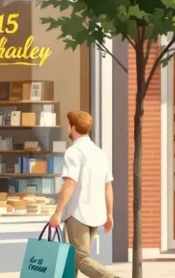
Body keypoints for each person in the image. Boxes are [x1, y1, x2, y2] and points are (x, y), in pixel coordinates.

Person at [47, 111, 118, 278]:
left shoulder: (74, 152)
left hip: (77, 214)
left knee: (81, 259)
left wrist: (58, 213)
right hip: (96, 214)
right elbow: (108, 186)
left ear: (72, 127)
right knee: (71, 259)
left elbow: (69, 184)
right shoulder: (100, 153)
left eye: (68, 125)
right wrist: (109, 214)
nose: (67, 128)